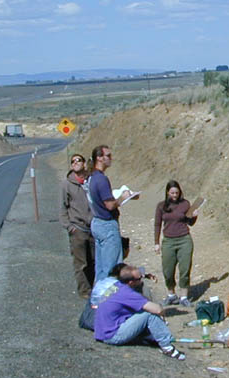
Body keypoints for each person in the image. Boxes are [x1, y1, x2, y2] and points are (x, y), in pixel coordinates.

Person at [93, 264, 185, 360]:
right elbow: (158, 310)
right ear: (131, 282)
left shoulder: (117, 286)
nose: (142, 280)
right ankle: (167, 347)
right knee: (149, 314)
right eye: (140, 278)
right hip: (112, 335)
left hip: (102, 331)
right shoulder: (127, 293)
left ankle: (154, 337)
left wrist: (146, 276)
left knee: (142, 310)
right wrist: (162, 315)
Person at [87, 145, 134, 285]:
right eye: (108, 155)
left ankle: (99, 299)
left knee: (101, 268)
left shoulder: (92, 177)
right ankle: (110, 301)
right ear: (99, 158)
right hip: (107, 225)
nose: (110, 158)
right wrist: (123, 197)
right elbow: (110, 205)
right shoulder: (101, 179)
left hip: (97, 222)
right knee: (112, 269)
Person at [154, 180, 198, 307]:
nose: (175, 195)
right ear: (167, 192)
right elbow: (157, 224)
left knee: (185, 269)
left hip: (184, 239)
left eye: (177, 193)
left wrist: (194, 216)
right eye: (172, 192)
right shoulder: (161, 206)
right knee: (168, 270)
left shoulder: (185, 204)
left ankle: (184, 296)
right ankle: (171, 294)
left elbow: (190, 222)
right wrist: (156, 243)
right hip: (168, 241)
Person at [60, 153, 94, 299]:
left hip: (93, 227)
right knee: (81, 264)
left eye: (79, 160)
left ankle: (95, 288)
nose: (76, 163)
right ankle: (84, 291)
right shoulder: (66, 184)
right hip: (77, 229)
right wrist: (68, 226)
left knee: (95, 261)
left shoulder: (90, 181)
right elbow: (62, 207)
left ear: (84, 163)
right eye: (73, 161)